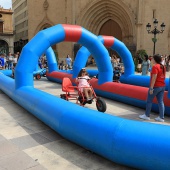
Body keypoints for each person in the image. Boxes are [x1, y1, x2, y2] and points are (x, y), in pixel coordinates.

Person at [139, 54, 166, 122]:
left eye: (153, 59)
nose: (152, 60)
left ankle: (147, 115)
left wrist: (151, 88)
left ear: (155, 60)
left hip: (156, 86)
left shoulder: (155, 67)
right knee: (160, 101)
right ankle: (161, 117)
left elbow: (154, 77)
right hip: (162, 86)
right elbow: (164, 76)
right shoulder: (163, 66)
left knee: (149, 101)